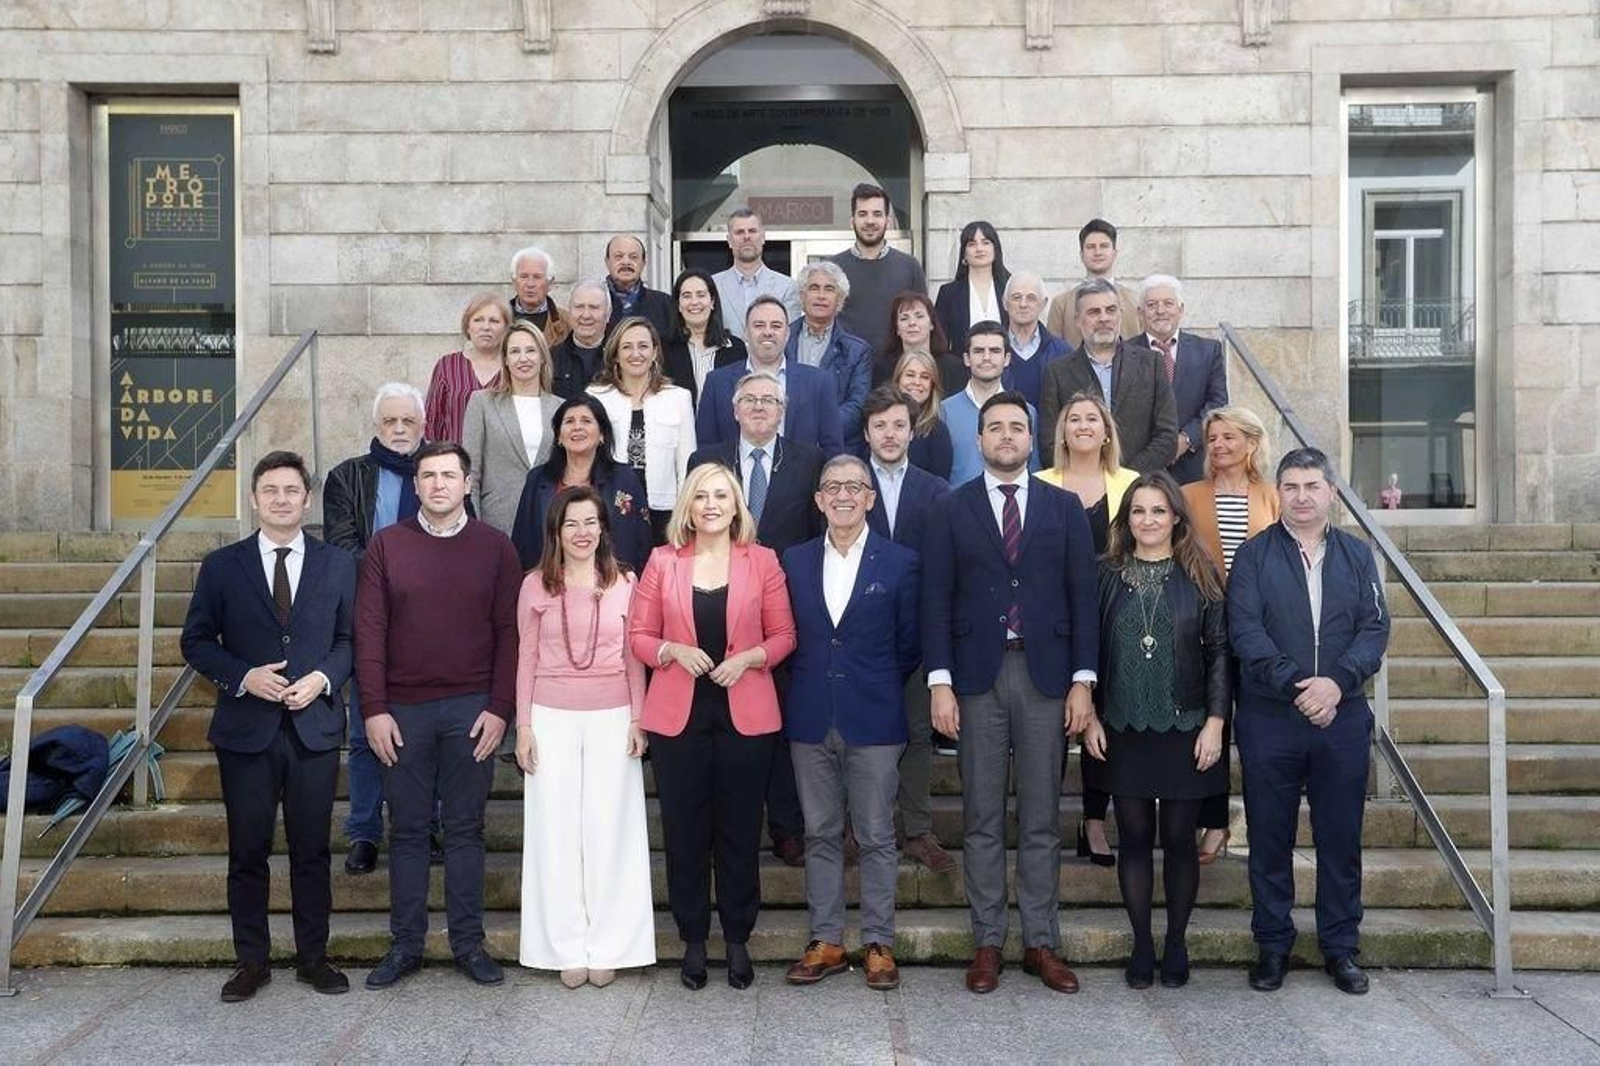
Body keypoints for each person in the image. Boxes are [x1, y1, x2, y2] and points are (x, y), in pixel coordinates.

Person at [922, 391, 1098, 995]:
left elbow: (1084, 598)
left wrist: (1084, 681)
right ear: (978, 440)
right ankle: (989, 940)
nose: (1005, 436)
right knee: (982, 816)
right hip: (977, 677)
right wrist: (939, 682)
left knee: (1044, 815)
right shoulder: (951, 508)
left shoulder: (1065, 506)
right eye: (994, 427)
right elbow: (935, 600)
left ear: (1032, 438)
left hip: (1047, 678)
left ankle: (1042, 941)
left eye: (1016, 428)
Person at [180, 450, 356, 1003]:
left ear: (307, 500)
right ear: (254, 500)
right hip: (245, 730)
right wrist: (242, 677)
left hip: (314, 728)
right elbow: (196, 641)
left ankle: (313, 958)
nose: (282, 499)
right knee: (247, 850)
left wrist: (324, 679)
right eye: (270, 490)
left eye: (291, 490)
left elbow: (351, 641)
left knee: (311, 851)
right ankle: (251, 962)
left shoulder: (338, 564)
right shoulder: (222, 566)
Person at [354, 441, 522, 990]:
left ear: (467, 483)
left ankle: (468, 944)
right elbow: (370, 632)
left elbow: (509, 633)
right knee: (405, 831)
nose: (438, 485)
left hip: (472, 710)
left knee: (466, 830)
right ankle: (405, 946)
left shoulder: (495, 548)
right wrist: (374, 710)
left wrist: (500, 708)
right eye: (428, 476)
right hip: (403, 711)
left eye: (449, 475)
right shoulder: (387, 545)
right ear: (417, 484)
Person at [628, 463, 798, 991]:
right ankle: (695, 941)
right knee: (685, 833)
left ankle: (739, 938)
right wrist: (670, 650)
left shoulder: (763, 561)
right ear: (687, 505)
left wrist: (749, 658)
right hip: (678, 718)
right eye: (701, 495)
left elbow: (785, 635)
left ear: (736, 505)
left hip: (745, 715)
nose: (711, 504)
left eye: (722, 495)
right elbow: (637, 635)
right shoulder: (662, 561)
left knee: (740, 831)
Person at [1228, 447, 1390, 996]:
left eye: (1312, 486)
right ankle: (1273, 946)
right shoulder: (1253, 556)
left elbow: (1374, 629)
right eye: (1291, 487)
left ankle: (1341, 948)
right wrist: (1298, 684)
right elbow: (1245, 631)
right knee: (1269, 839)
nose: (1301, 496)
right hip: (1270, 717)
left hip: (1341, 718)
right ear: (1280, 493)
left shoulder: (1357, 556)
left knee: (1339, 839)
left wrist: (1336, 683)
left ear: (1331, 494)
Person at [1081, 472, 1230, 989]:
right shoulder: (1104, 574)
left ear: (1175, 518)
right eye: (1138, 511)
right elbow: (1088, 652)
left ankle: (1177, 942)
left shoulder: (1201, 574)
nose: (1148, 520)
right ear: (1126, 520)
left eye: (1159, 511)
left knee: (1178, 839)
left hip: (1186, 725)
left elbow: (1218, 657)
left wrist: (1215, 721)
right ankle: (1143, 943)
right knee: (1137, 837)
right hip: (1121, 726)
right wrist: (1090, 716)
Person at [781, 455, 921, 992]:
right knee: (819, 832)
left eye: (854, 487)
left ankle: (879, 941)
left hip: (875, 716)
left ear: (870, 498)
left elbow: (908, 644)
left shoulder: (901, 562)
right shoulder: (791, 561)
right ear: (818, 500)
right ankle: (827, 940)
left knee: (877, 834)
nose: (843, 494)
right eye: (832, 487)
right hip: (811, 714)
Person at [514, 487, 654, 988]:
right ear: (556, 531)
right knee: (554, 833)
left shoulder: (625, 582)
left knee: (610, 831)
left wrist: (639, 719)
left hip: (613, 714)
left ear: (603, 528)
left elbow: (633, 657)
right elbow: (525, 658)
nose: (582, 533)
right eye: (571, 523)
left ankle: (611, 942)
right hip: (550, 715)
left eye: (590, 522)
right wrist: (524, 726)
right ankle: (563, 945)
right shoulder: (534, 586)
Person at [688, 371, 823, 866]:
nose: (761, 407)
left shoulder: (809, 461)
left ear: (783, 410)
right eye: (752, 400)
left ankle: (787, 826)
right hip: (714, 602)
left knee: (780, 717)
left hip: (785, 606)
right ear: (735, 408)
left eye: (770, 400)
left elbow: (815, 533)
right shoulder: (706, 461)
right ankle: (722, 822)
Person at [322, 382, 427, 875]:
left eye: (408, 421)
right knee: (366, 734)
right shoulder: (347, 478)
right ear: (376, 426)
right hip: (370, 619)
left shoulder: (442, 471)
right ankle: (364, 831)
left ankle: (428, 827)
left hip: (432, 625)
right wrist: (400, 578)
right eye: (391, 421)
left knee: (427, 734)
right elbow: (343, 549)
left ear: (423, 426)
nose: (400, 429)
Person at [1037, 392, 1139, 866]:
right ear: (1061, 432)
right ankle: (1043, 819)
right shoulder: (1038, 483)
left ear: (1106, 431)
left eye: (1091, 419)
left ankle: (1094, 822)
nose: (1082, 425)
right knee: (1055, 721)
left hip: (1118, 614)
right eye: (1073, 418)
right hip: (1054, 619)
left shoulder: (1132, 483)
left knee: (1106, 719)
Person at [861, 386, 955, 872]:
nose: (890, 434)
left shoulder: (936, 488)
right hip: (860, 633)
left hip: (919, 632)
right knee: (860, 734)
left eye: (898, 424)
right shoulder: (848, 485)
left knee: (918, 733)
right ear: (867, 433)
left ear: (911, 430)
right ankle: (860, 830)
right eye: (880, 426)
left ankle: (917, 831)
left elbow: (944, 564)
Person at [1182, 405, 1279, 863]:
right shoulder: (1188, 495)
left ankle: (1263, 822)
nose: (1218, 445)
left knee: (1257, 728)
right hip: (1205, 625)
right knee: (1211, 724)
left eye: (1229, 437)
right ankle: (1215, 822)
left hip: (1261, 629)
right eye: (1213, 437)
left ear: (1251, 443)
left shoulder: (1274, 496)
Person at [1039, 278, 1177, 473]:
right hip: (1081, 491)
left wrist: (1125, 479)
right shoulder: (1057, 373)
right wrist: (1088, 478)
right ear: (1078, 320)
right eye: (1094, 312)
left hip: (1140, 488)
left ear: (1120, 315)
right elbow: (1049, 443)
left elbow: (1167, 436)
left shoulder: (1151, 364)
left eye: (1110, 310)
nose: (1104, 318)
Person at [509, 394, 653, 574]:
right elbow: (521, 539)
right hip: (548, 585)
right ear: (558, 437)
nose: (577, 427)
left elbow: (642, 540)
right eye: (569, 421)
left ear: (602, 434)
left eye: (586, 421)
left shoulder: (624, 479)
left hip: (612, 586)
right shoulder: (538, 479)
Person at [586, 316, 697, 542]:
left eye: (643, 346)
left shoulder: (678, 397)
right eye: (627, 347)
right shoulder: (596, 397)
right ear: (615, 354)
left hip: (664, 510)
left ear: (655, 352)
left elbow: (686, 463)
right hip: (608, 508)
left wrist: (685, 515)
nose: (636, 354)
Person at [695, 295, 844, 455]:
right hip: (733, 479)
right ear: (745, 333)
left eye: (776, 326)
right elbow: (706, 449)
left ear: (787, 333)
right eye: (759, 325)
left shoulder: (818, 383)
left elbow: (832, 450)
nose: (768, 332)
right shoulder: (717, 382)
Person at [461, 321, 562, 537]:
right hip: (496, 522)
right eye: (515, 351)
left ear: (542, 356)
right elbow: (471, 472)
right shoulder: (482, 402)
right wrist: (474, 525)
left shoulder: (560, 408)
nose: (523, 358)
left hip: (549, 523)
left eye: (531, 351)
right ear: (505, 359)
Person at [1137, 274, 1228, 485]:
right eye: (1152, 305)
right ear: (1141, 313)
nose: (1160, 311)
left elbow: (1218, 402)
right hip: (1143, 466)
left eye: (1168, 303)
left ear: (1181, 309)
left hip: (1195, 465)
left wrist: (1186, 439)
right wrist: (1158, 449)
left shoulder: (1208, 350)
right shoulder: (1126, 352)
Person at [829, 182, 927, 357]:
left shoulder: (909, 266)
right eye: (862, 214)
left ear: (887, 221)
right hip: (846, 370)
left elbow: (923, 323)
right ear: (852, 221)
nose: (870, 221)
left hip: (897, 371)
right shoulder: (833, 269)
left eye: (877, 214)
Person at [784, 260, 872, 443]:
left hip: (835, 449)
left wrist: (818, 428)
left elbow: (857, 406)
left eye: (829, 289)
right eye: (814, 288)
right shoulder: (781, 340)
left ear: (840, 299)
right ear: (802, 296)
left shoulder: (857, 351)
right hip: (785, 444)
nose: (821, 295)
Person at [942, 321, 1039, 487]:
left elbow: (1034, 469)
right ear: (967, 359)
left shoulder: (1026, 411)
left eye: (994, 351)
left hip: (1012, 509)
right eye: (979, 351)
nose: (986, 357)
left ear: (1007, 358)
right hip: (958, 508)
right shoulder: (944, 411)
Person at [425, 292, 510, 444]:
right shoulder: (448, 365)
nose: (486, 327)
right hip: (454, 461)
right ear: (468, 327)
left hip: (501, 463)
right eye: (478, 320)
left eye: (494, 321)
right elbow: (432, 423)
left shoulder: (513, 367)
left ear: (505, 328)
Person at [1045, 218, 1142, 346]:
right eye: (1091, 247)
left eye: (1104, 246)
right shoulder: (1061, 304)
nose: (1098, 252)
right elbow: (1053, 351)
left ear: (1114, 253)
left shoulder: (1135, 301)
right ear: (1081, 254)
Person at [662, 267, 746, 408]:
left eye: (701, 295)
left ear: (712, 301)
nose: (694, 302)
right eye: (687, 296)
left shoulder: (735, 348)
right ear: (678, 305)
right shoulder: (663, 347)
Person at [713, 207, 801, 339]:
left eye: (752, 231)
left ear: (763, 237)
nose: (746, 237)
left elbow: (789, 338)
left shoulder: (787, 287)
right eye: (739, 232)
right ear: (729, 240)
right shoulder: (712, 285)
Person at [934, 220, 1010, 350]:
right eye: (972, 244)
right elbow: (940, 341)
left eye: (986, 243)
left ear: (995, 249)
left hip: (1007, 368)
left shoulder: (1010, 288)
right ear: (964, 253)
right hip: (961, 367)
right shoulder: (949, 293)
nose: (979, 249)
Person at [1002, 272, 1071, 411]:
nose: (1023, 304)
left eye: (1031, 298)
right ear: (1005, 303)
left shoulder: (1063, 352)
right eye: (1016, 298)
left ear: (1043, 304)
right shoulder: (992, 350)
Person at [874, 290, 965, 394]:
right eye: (904, 318)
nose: (912, 323)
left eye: (919, 316)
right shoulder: (883, 369)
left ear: (932, 324)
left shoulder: (954, 367)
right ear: (897, 329)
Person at [890, 351, 955, 481]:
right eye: (910, 375)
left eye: (925, 377)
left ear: (932, 385)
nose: (917, 382)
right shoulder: (878, 420)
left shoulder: (938, 431)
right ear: (898, 379)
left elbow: (940, 485)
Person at [550, 278, 612, 400]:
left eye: (594, 307)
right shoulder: (551, 358)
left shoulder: (620, 358)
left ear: (608, 314)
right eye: (579, 307)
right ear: (570, 312)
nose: (586, 315)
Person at [603, 235, 673, 337]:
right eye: (618, 256)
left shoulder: (665, 305)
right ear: (607, 262)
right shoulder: (592, 303)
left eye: (633, 257)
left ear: (643, 263)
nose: (626, 262)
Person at [508, 246, 571, 347]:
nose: (530, 284)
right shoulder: (499, 320)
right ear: (514, 282)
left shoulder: (567, 322)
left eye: (537, 277)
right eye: (524, 276)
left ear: (550, 283)